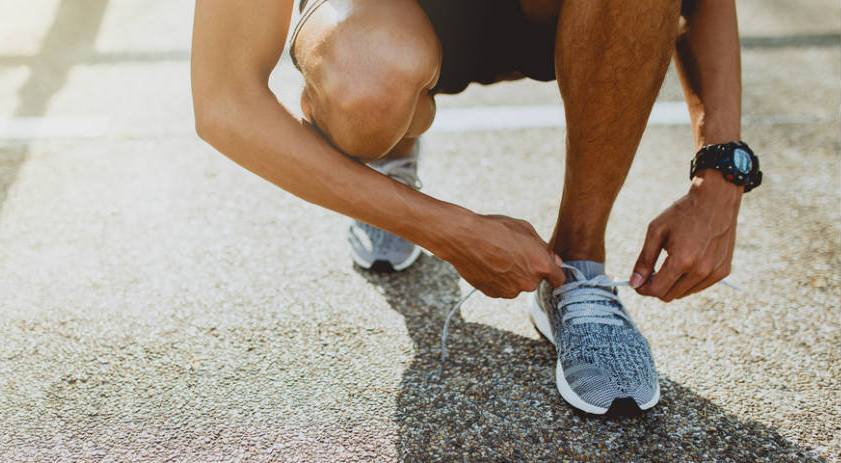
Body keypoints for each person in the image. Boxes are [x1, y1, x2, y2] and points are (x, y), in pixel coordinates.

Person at [190, 0, 762, 415]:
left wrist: (720, 177)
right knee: (364, 84)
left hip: (575, 14)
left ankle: (578, 266)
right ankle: (384, 162)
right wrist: (440, 226)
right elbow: (225, 99)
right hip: (391, 16)